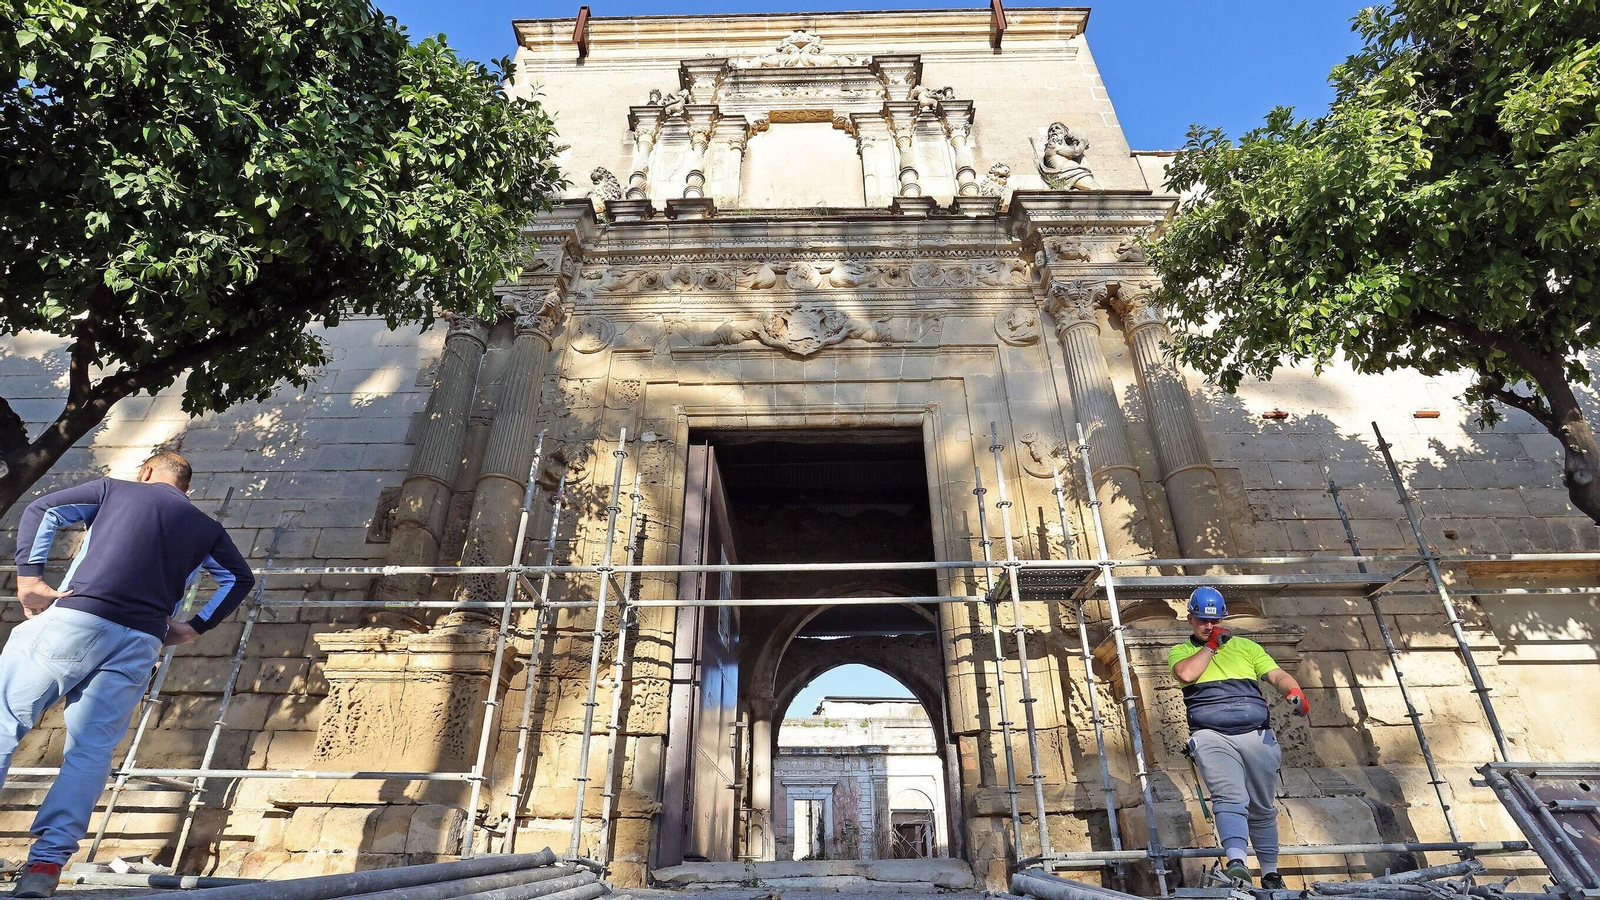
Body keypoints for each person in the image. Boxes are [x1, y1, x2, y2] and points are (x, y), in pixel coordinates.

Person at [3, 453, 254, 898]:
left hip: (77, 619)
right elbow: (239, 578)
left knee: (5, 722)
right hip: (139, 642)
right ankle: (45, 864)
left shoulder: (114, 490)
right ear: (186, 487)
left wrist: (30, 579)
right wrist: (193, 628)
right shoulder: (207, 528)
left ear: (146, 472)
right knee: (92, 749)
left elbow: (44, 509)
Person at [1168, 586, 1310, 890]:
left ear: (1223, 619)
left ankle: (1270, 873)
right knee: (1229, 797)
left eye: (1215, 621)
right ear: (1190, 619)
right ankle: (1237, 863)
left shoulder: (1247, 647)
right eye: (1202, 620)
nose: (1209, 626)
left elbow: (1276, 675)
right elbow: (1186, 675)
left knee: (1262, 806)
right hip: (1211, 736)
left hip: (1256, 735)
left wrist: (1293, 691)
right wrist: (1211, 647)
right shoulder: (1181, 651)